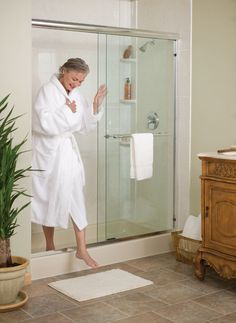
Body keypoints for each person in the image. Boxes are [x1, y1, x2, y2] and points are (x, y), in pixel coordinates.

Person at [31, 58, 107, 268]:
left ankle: (82, 250)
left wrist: (93, 106)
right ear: (63, 71)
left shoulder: (76, 95)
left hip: (67, 154)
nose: (76, 84)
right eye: (74, 79)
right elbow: (41, 122)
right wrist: (66, 110)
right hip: (49, 153)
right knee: (49, 196)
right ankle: (49, 246)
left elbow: (83, 126)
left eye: (81, 82)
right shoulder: (47, 91)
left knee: (75, 196)